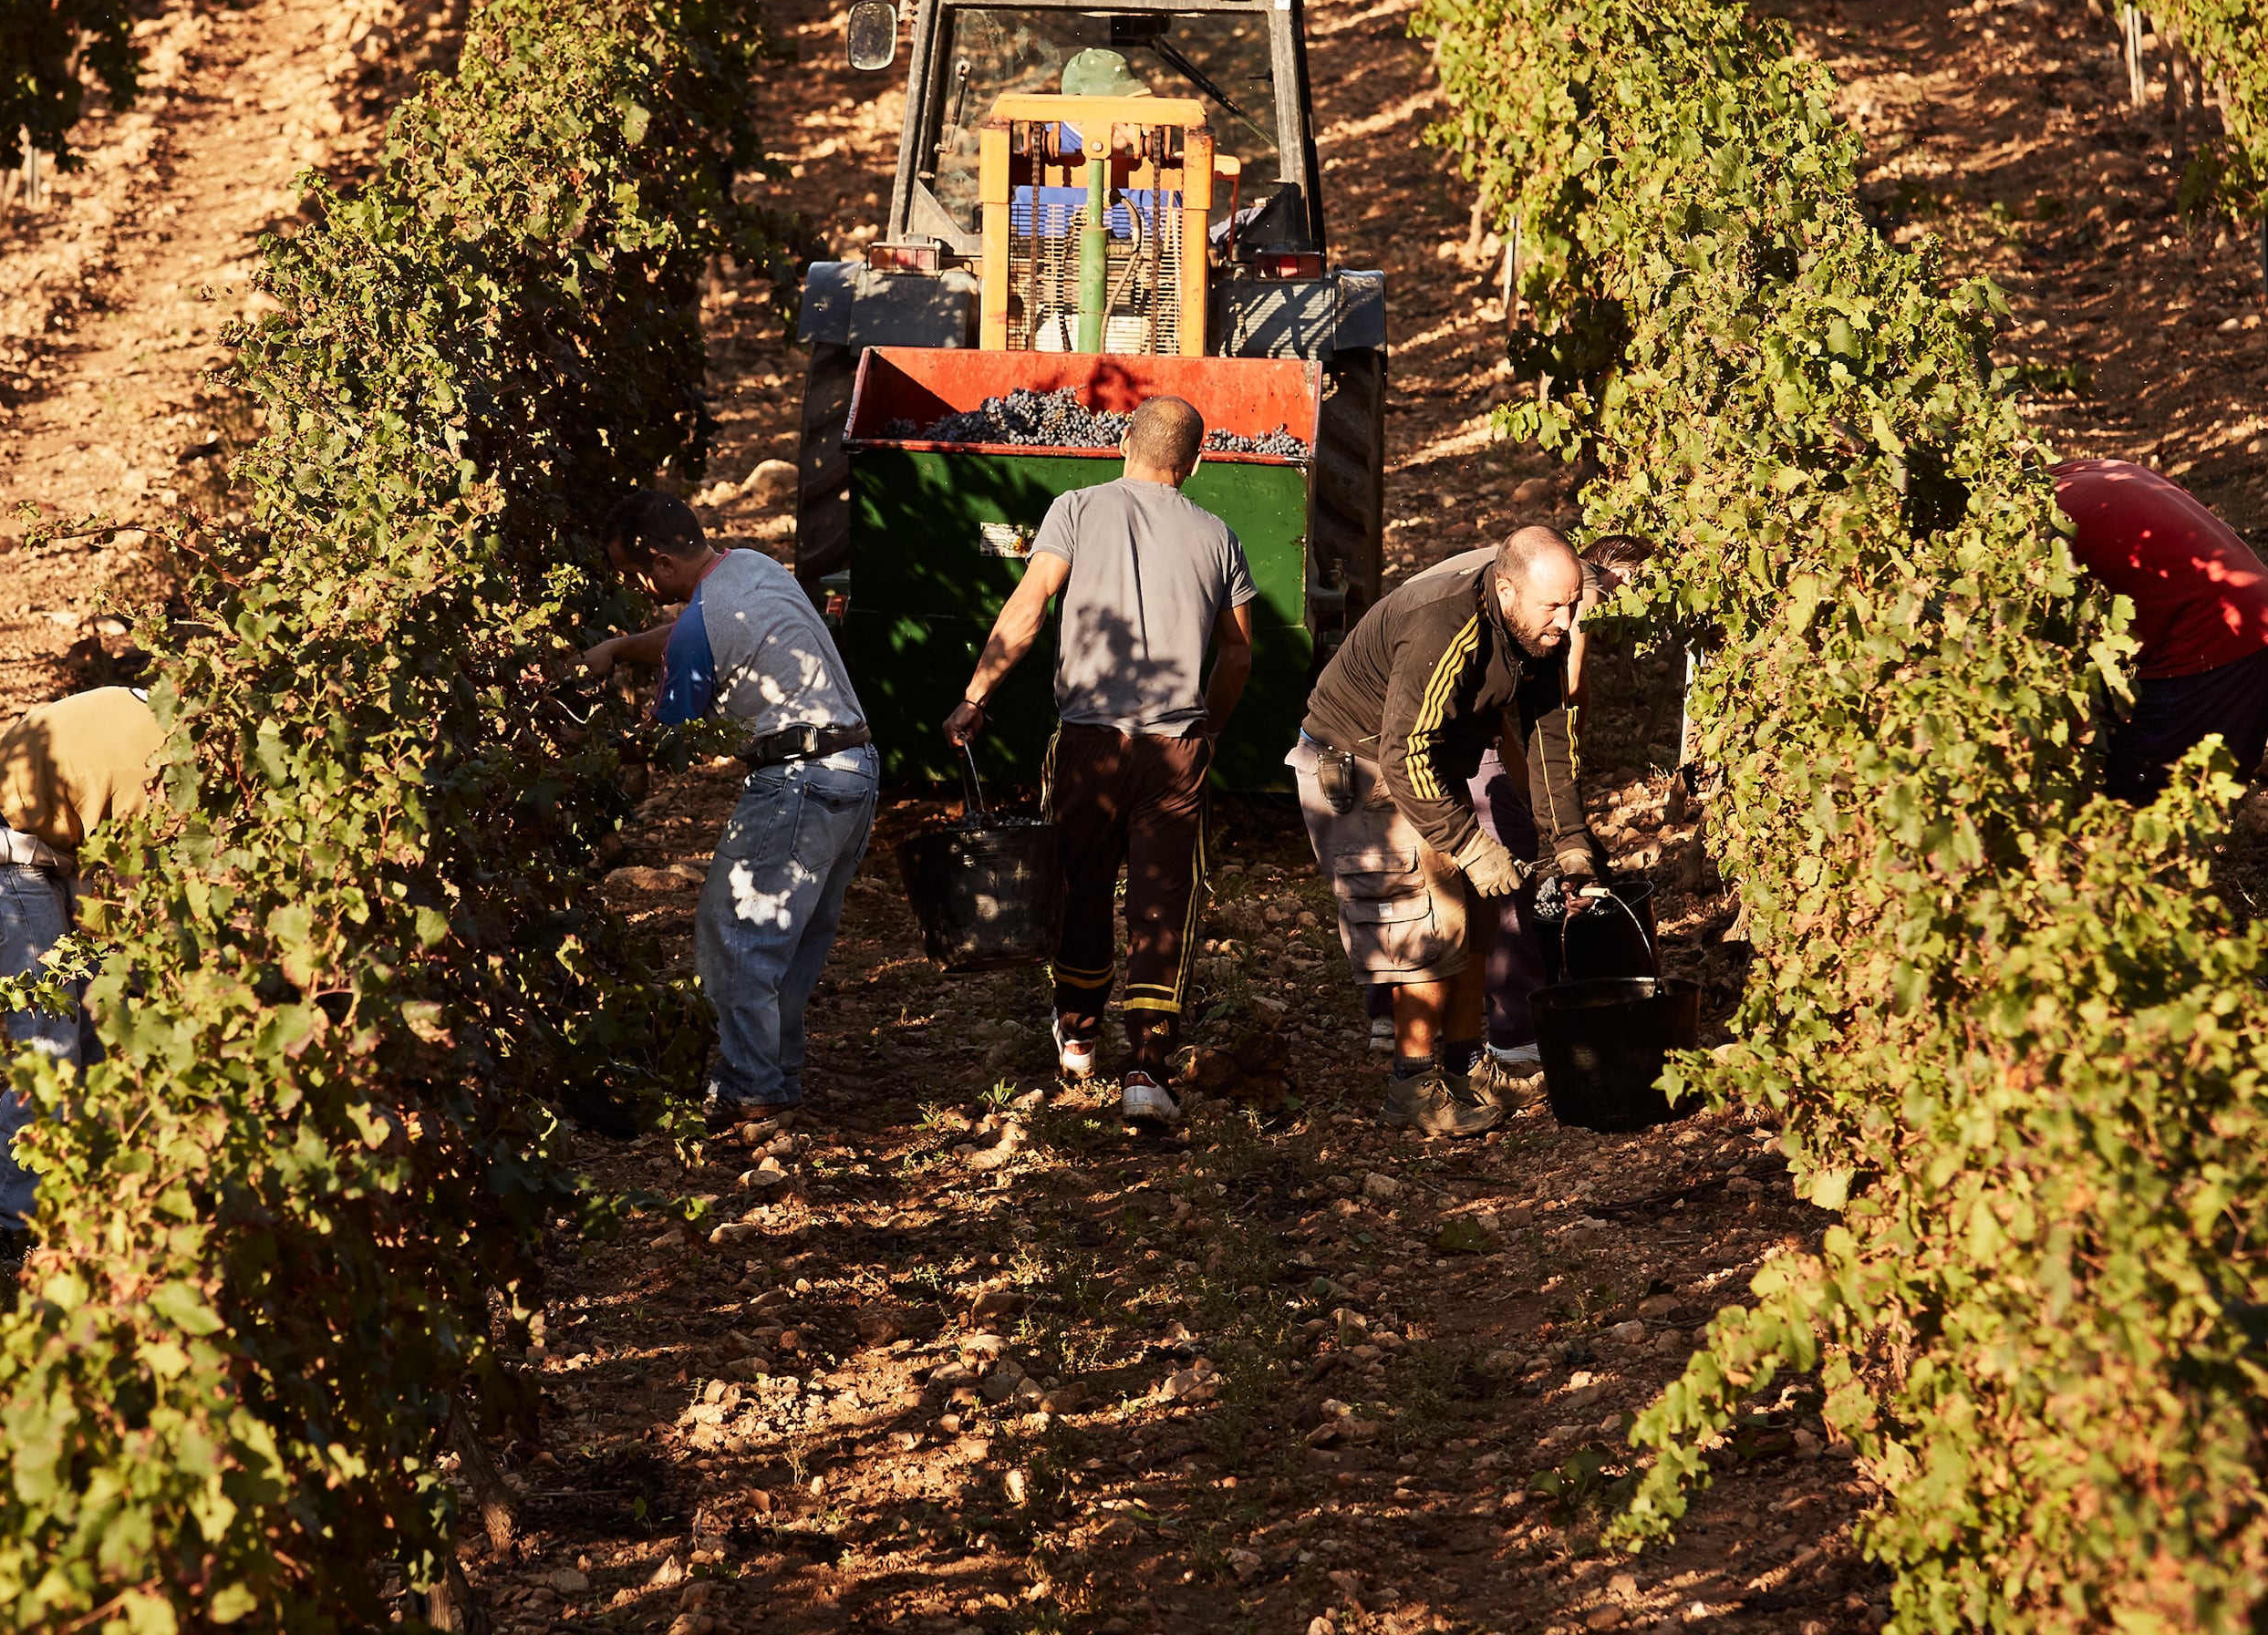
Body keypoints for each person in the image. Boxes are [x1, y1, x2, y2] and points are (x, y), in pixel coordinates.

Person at [941, 393, 1255, 1129]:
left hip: (1089, 741)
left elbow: (1030, 605)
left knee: (1080, 882)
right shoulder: (1220, 536)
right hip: (1176, 748)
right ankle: (1147, 1067)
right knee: (1161, 901)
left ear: (1124, 444)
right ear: (1197, 461)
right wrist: (1208, 726)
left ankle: (1078, 1031)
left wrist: (977, 693)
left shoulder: (1076, 509)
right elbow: (1239, 650)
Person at [579, 490, 882, 1124]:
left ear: (660, 563)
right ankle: (777, 1073)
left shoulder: (700, 623)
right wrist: (617, 647)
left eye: (635, 572)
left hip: (799, 780)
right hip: (854, 770)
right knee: (792, 941)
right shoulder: (751, 567)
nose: (637, 585)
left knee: (734, 933)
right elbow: (685, 630)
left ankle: (750, 1086)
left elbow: (668, 744)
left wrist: (582, 739)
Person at [1290, 527, 1596, 1134]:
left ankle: (1463, 1067)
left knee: (1474, 907)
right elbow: (1404, 756)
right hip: (1362, 761)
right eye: (1552, 606)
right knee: (1428, 918)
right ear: (1506, 590)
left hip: (1427, 759)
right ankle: (1413, 1086)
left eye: (1572, 604)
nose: (1566, 620)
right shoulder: (1447, 625)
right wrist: (1472, 845)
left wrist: (1571, 844)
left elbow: (1546, 737)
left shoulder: (1536, 632)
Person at [0, 679, 168, 1284]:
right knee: (51, 1043)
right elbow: (136, 893)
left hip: (48, 843)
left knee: (105, 1025)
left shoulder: (174, 731)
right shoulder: (174, 779)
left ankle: (93, 1194)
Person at [2056, 456, 2268, 802]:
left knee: (2136, 807)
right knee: (2183, 799)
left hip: (2217, 642)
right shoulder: (2093, 470)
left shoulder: (2042, 523)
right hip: (2261, 614)